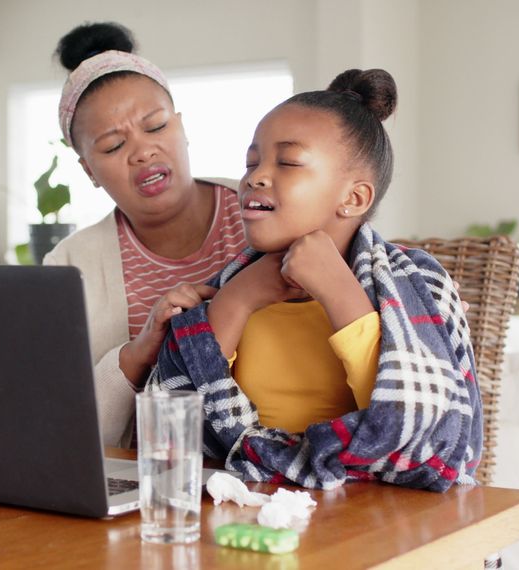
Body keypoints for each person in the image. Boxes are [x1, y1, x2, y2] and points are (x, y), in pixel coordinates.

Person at [149, 69, 483, 492]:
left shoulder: (416, 290)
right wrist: (238, 300)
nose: (255, 176)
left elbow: (424, 438)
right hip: (251, 511)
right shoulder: (228, 288)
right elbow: (174, 429)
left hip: (378, 517)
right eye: (251, 163)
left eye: (287, 162)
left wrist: (339, 291)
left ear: (354, 198)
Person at [42, 22, 246, 447]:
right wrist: (134, 357)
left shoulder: (259, 211)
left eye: (155, 126)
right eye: (113, 146)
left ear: (182, 127)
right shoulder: (69, 266)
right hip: (151, 485)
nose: (142, 151)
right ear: (88, 171)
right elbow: (61, 427)